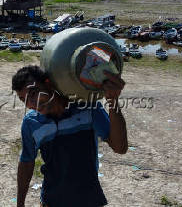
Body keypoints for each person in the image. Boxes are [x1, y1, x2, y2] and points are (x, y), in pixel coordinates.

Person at [12, 65, 128, 207]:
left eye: (34, 93)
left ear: (48, 84)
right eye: (24, 100)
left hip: (89, 200)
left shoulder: (87, 108)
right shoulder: (31, 123)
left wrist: (113, 102)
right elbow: (27, 161)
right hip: (51, 201)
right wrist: (20, 204)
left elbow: (120, 147)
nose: (30, 104)